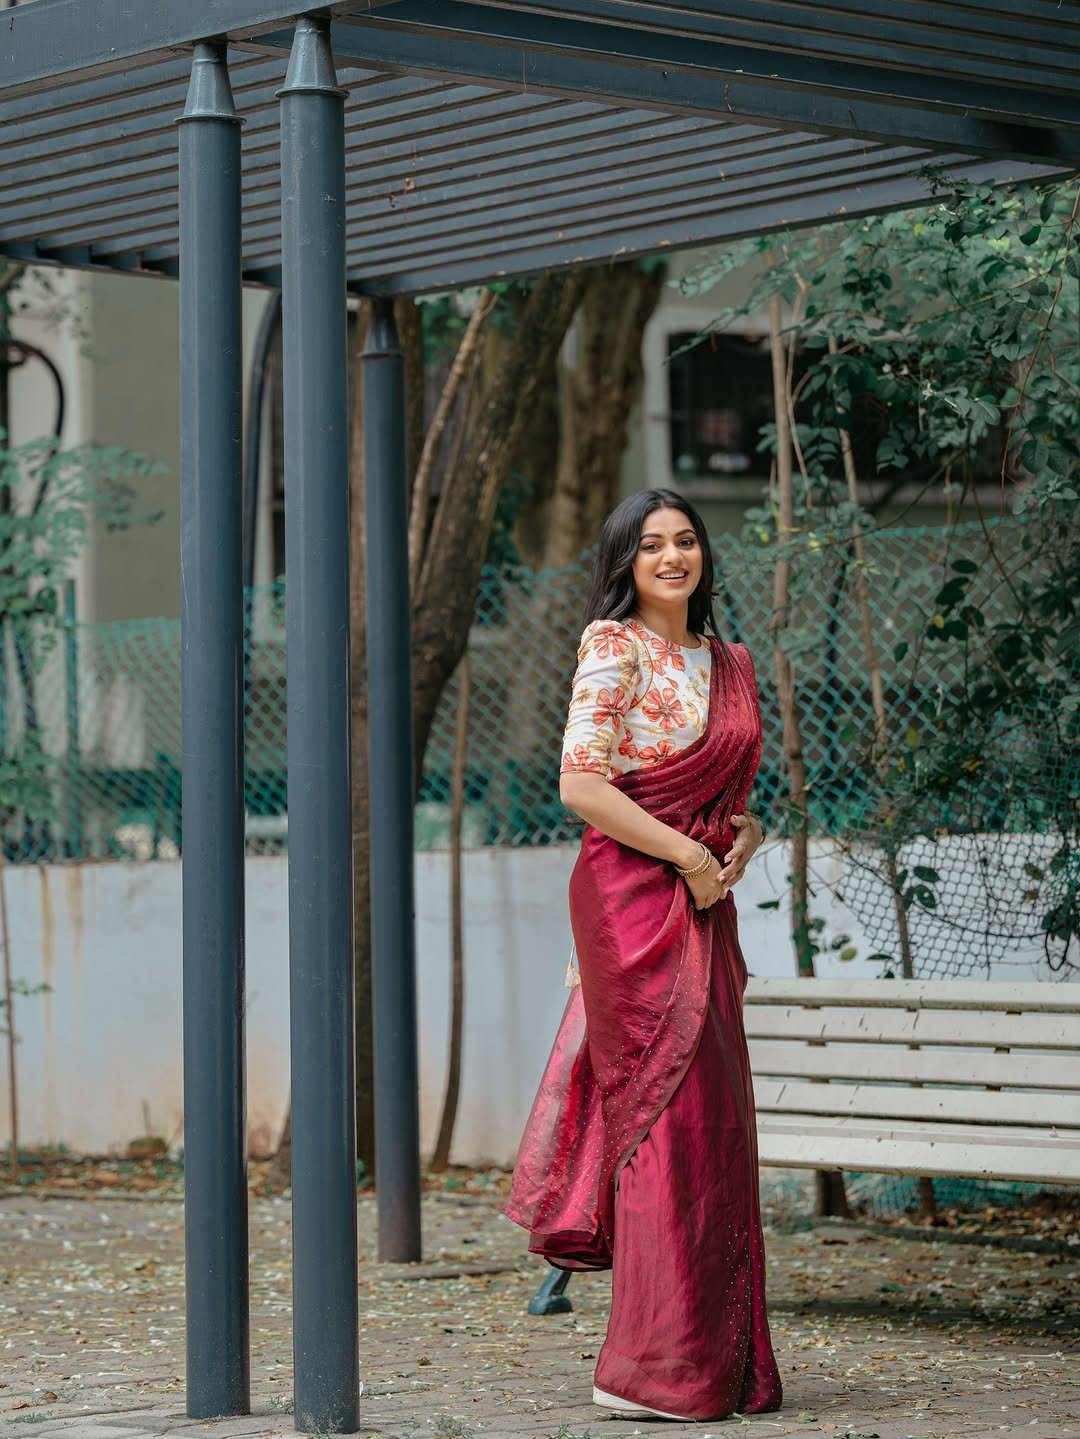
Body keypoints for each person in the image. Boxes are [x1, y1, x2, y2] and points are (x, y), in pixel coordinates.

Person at [504, 489, 784, 1422]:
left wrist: (740, 842)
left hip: (708, 899)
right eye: (652, 544)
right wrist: (689, 855)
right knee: (666, 1118)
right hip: (634, 903)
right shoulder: (613, 645)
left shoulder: (729, 662)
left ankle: (719, 1361)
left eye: (687, 540)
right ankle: (646, 1369)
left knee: (719, 1125)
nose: (673, 556)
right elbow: (581, 781)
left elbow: (739, 795)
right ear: (625, 560)